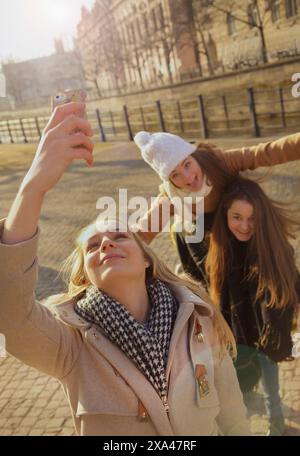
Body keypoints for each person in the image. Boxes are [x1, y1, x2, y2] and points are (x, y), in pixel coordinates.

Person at [0, 102, 251, 436]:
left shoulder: (199, 317)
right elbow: (12, 316)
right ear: (85, 274)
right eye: (92, 245)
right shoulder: (70, 346)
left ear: (146, 259)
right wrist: (34, 186)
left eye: (119, 236)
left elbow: (234, 418)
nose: (106, 244)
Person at [134, 131, 300, 284]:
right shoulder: (171, 197)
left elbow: (264, 153)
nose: (188, 177)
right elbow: (144, 232)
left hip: (235, 223)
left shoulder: (219, 162)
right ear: (169, 181)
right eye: (175, 174)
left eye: (187, 164)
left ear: (193, 155)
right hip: (208, 240)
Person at [205, 177, 300, 436]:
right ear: (225, 214)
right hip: (237, 340)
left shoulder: (275, 248)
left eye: (252, 218)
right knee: (242, 394)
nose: (245, 226)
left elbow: (294, 287)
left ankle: (276, 426)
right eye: (237, 216)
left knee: (272, 391)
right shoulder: (219, 248)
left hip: (268, 340)